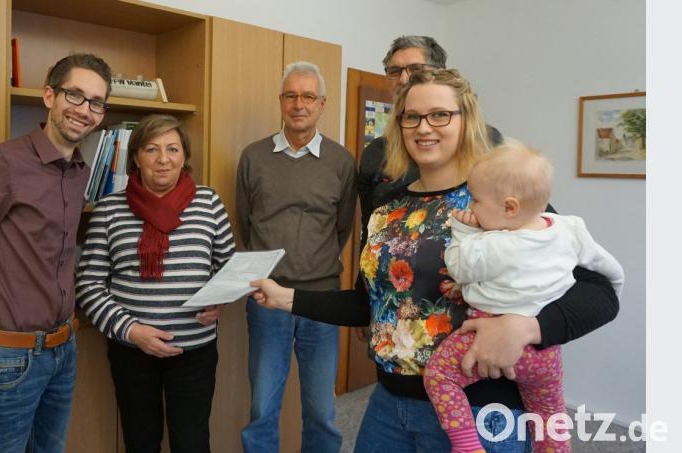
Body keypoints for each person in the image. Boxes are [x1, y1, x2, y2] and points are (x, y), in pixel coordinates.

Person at [250, 68, 620, 452]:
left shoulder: (497, 201)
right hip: (388, 405)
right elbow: (370, 304)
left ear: (466, 120)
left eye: (440, 115)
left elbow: (601, 293)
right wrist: (285, 298)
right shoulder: (386, 208)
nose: (424, 128)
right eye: (412, 116)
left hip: (478, 410)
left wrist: (529, 328)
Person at [0, 53, 112, 452]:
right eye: (75, 95)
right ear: (49, 95)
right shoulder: (2, 164)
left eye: (96, 102)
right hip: (6, 359)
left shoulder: (80, 172)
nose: (85, 110)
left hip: (63, 351)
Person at [423, 142, 625, 453]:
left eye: (475, 200)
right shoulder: (567, 227)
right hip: (544, 355)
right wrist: (618, 284)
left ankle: (467, 446)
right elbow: (607, 269)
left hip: (486, 337)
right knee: (549, 414)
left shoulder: (496, 245)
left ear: (509, 208)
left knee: (439, 377)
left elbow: (460, 268)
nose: (472, 206)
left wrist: (464, 231)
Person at [76, 114, 235, 453]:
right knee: (140, 441)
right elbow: (88, 285)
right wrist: (132, 331)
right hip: (131, 350)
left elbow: (228, 269)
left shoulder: (208, 203)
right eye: (152, 149)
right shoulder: (109, 210)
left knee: (192, 443)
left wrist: (220, 299)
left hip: (194, 350)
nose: (163, 159)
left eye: (172, 149)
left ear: (184, 156)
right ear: (136, 157)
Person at [236, 61, 357, 453]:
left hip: (322, 301)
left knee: (322, 409)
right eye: (291, 95)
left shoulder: (341, 162)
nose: (299, 104)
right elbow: (245, 220)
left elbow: (342, 227)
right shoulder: (254, 157)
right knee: (262, 407)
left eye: (308, 96)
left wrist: (313, 263)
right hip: (267, 298)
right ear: (281, 101)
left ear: (322, 104)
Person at [357, 35, 504, 253]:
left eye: (416, 69)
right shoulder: (376, 154)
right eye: (395, 71)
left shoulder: (487, 142)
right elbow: (369, 237)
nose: (404, 79)